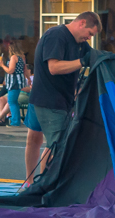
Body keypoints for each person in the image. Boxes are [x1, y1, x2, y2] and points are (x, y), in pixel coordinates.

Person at [29, 12, 99, 155]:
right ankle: (47, 178)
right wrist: (81, 62)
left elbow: (94, 57)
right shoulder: (56, 36)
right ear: (82, 23)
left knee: (56, 146)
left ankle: (45, 177)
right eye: (90, 33)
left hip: (63, 101)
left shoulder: (80, 43)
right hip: (49, 101)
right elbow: (54, 67)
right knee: (58, 148)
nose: (89, 38)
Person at [0, 40, 26, 127]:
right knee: (13, 102)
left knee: (11, 102)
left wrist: (2, 65)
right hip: (19, 81)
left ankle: (15, 121)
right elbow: (25, 69)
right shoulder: (22, 57)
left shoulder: (14, 57)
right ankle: (15, 120)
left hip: (13, 82)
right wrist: (28, 78)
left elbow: (10, 70)